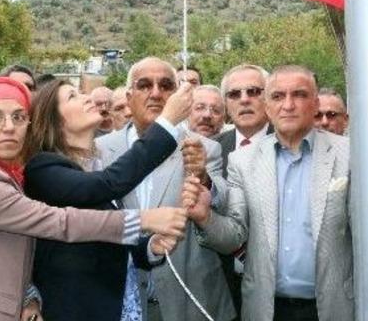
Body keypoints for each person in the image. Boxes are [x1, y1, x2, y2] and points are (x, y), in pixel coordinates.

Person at [0, 77, 188, 321]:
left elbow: (23, 251)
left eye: (18, 117)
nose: (9, 127)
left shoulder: (87, 164)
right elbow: (68, 220)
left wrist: (147, 247)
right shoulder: (36, 169)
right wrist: (166, 122)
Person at [185, 65, 354, 321]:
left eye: (298, 95)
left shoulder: (351, 154)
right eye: (277, 96)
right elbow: (234, 236)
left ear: (315, 102)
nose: (288, 105)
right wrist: (205, 218)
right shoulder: (242, 161)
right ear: (267, 105)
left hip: (333, 308)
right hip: (266, 310)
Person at [23, 78, 196, 320]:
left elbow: (101, 231)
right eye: (73, 96)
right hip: (76, 310)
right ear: (53, 120)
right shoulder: (43, 168)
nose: (87, 98)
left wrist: (148, 247)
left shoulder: (93, 165)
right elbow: (106, 185)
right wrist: (167, 121)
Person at [97, 57, 235, 321]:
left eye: (166, 85)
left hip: (189, 304)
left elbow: (223, 213)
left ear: (178, 95)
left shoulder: (202, 148)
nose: (156, 93)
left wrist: (203, 178)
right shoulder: (101, 151)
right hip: (121, 301)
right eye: (145, 85)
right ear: (128, 96)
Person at [212, 64, 272, 317]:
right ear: (226, 104)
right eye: (234, 94)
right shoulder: (212, 150)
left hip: (275, 290)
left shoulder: (290, 146)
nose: (244, 99)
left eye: (254, 91)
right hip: (223, 286)